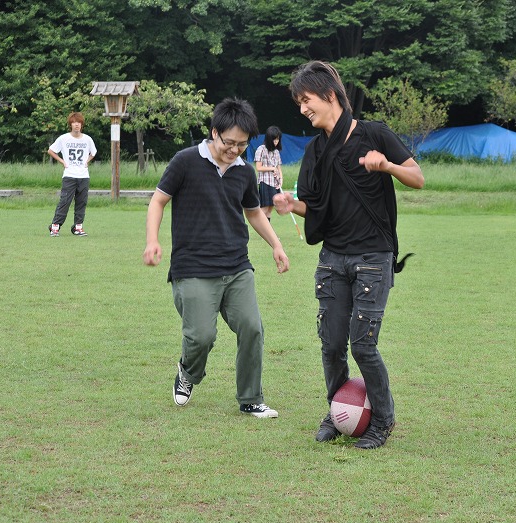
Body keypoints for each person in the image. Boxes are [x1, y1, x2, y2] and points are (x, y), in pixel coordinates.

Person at [273, 61, 425, 449]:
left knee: (363, 345)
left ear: (329, 95)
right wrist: (293, 205)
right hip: (332, 259)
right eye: (299, 104)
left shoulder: (374, 134)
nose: (303, 109)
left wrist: (386, 165)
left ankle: (383, 421)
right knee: (331, 344)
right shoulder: (316, 150)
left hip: (373, 258)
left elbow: (418, 178)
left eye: (306, 100)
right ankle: (337, 410)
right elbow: (315, 206)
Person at [143, 97, 290, 419]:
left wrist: (276, 245)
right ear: (214, 133)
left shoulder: (244, 172)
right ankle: (188, 372)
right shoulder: (185, 162)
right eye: (229, 142)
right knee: (201, 337)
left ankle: (251, 398)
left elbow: (253, 213)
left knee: (252, 328)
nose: (234, 149)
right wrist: (152, 241)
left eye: (242, 144)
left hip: (236, 266)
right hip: (193, 267)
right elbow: (157, 201)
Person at [47, 112, 97, 237]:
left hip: (83, 176)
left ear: (82, 125)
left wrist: (87, 161)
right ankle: (55, 226)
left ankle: (78, 227)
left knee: (81, 202)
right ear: (70, 124)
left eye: (79, 122)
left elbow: (93, 152)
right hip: (69, 175)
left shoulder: (87, 139)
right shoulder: (64, 138)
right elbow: (51, 150)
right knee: (65, 201)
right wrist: (62, 161)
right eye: (74, 122)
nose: (77, 125)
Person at [254, 126, 283, 222]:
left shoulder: (276, 152)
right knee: (264, 209)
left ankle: (268, 233)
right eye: (274, 139)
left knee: (270, 209)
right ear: (269, 139)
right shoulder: (261, 149)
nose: (276, 142)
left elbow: (279, 168)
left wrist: (281, 180)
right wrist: (272, 168)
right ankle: (262, 229)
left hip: (275, 183)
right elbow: (258, 168)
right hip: (265, 182)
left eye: (278, 139)